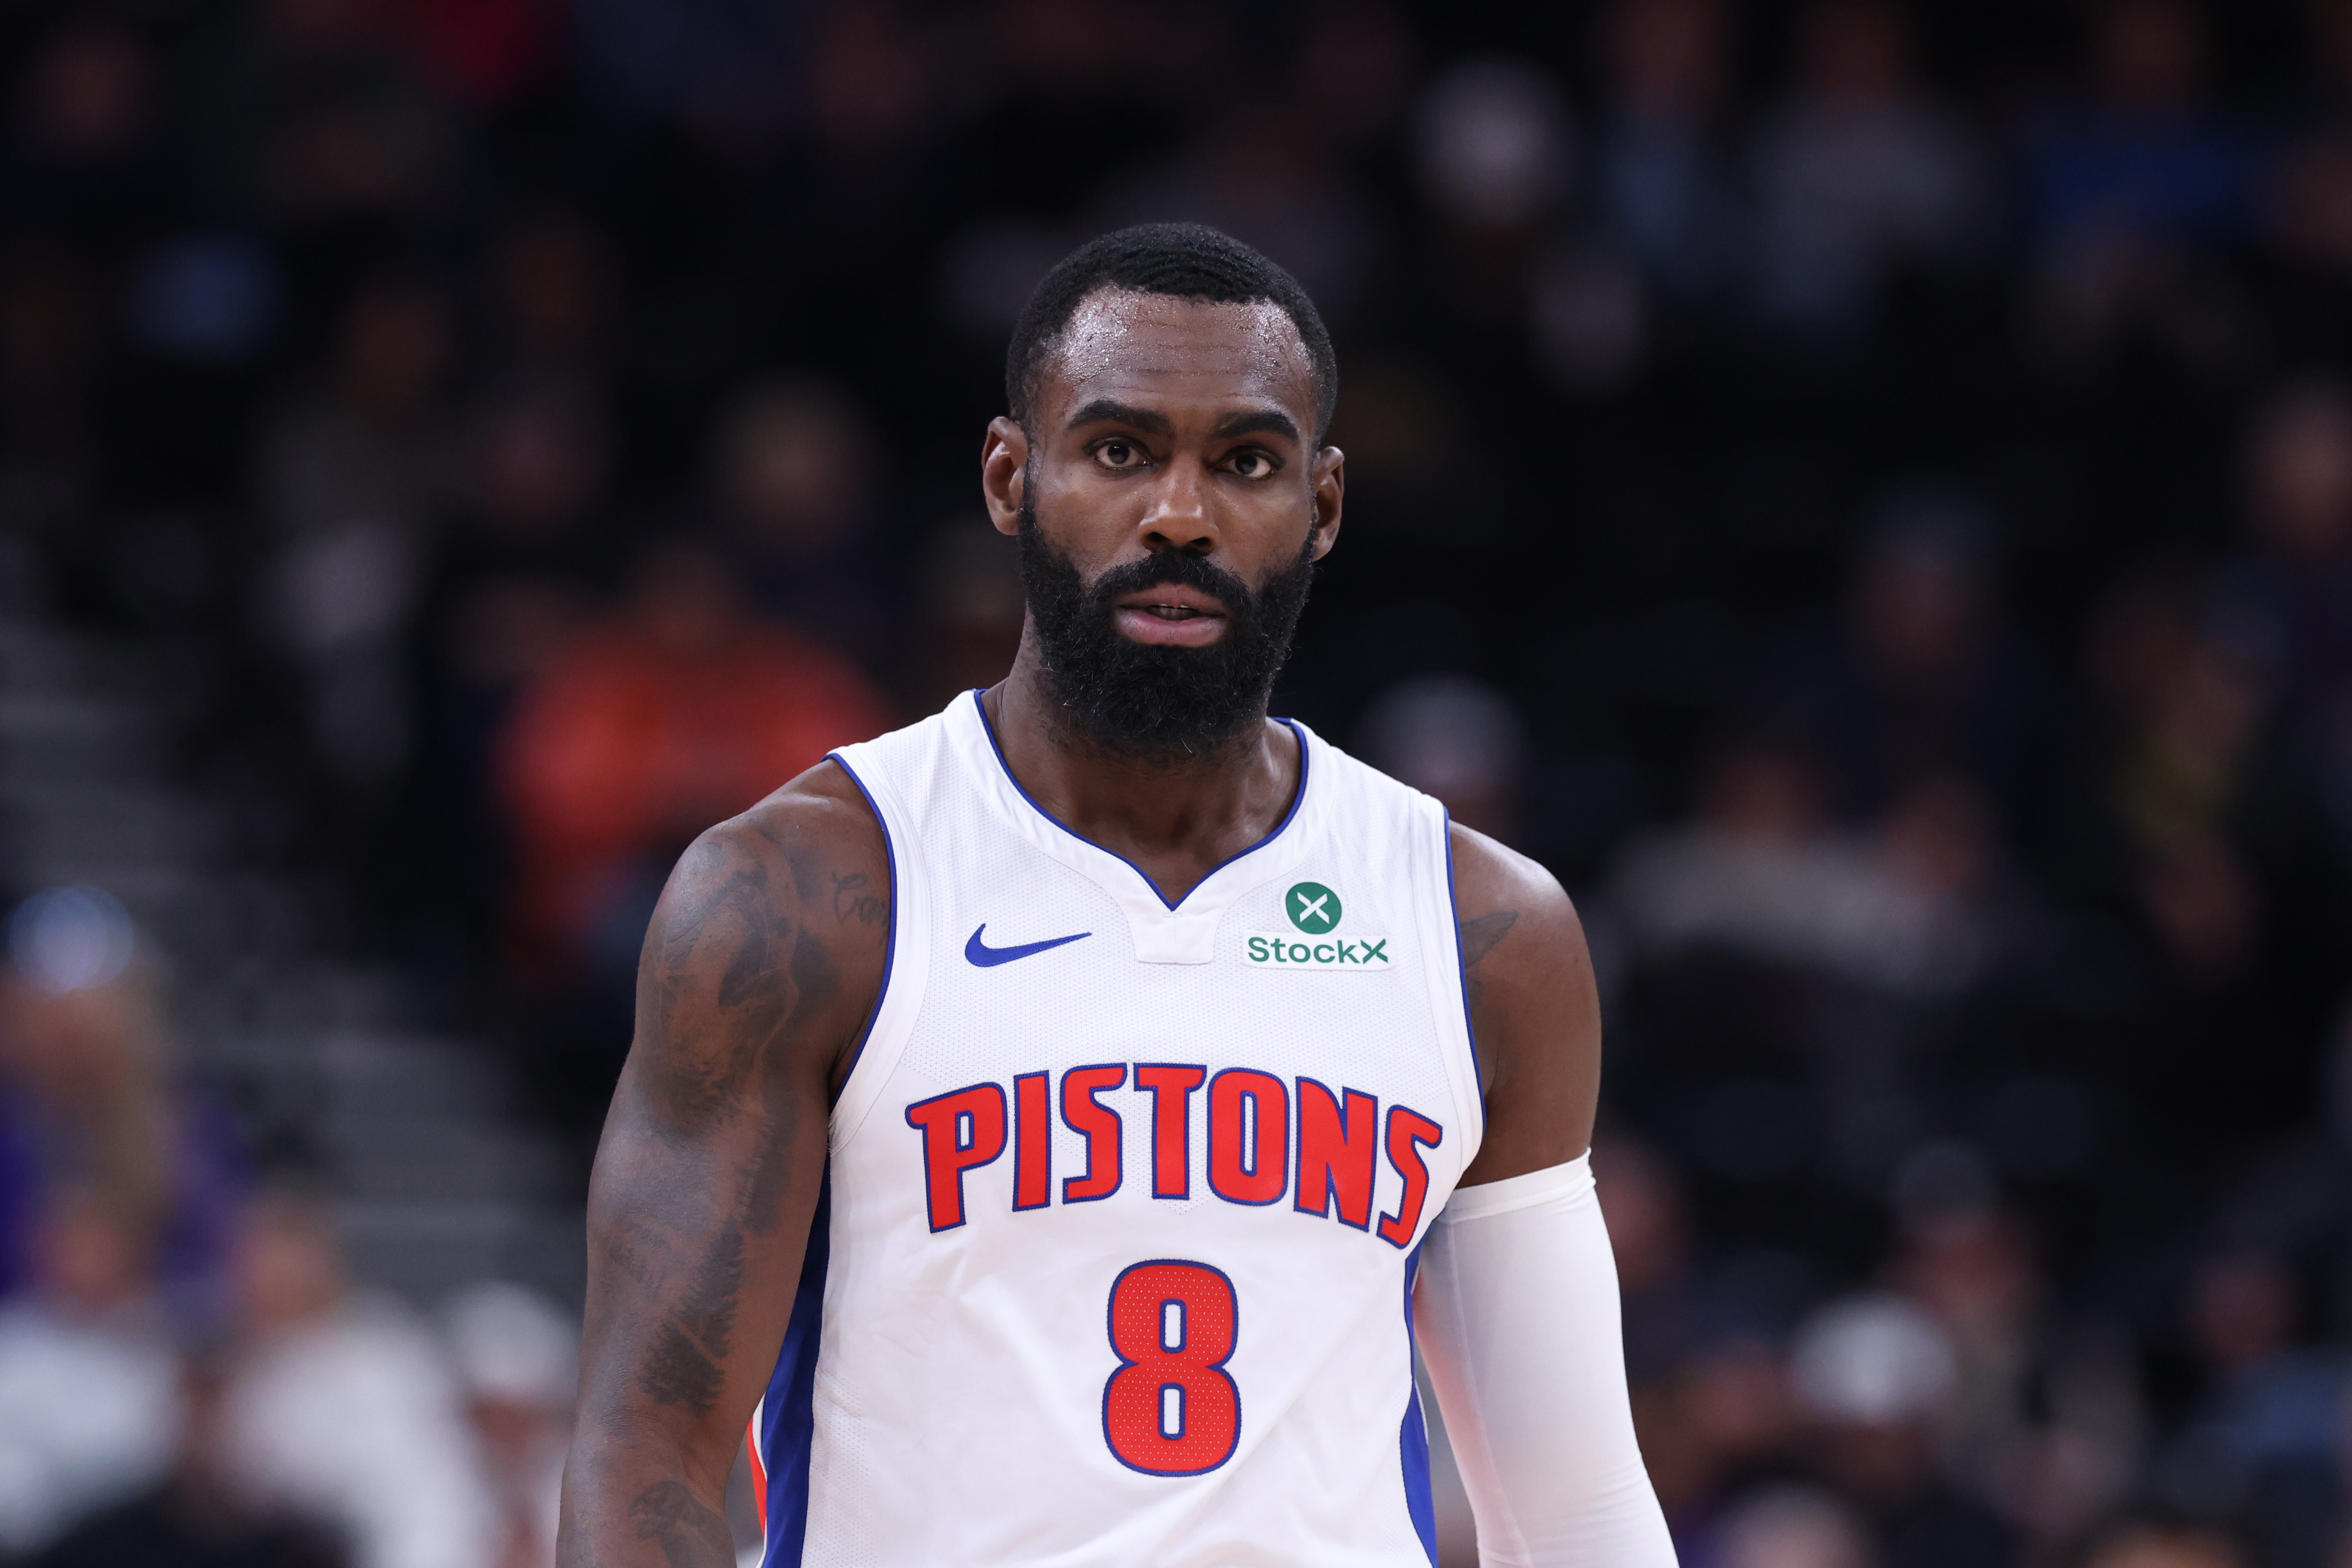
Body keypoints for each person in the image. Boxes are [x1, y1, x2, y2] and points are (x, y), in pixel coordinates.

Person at [557, 224, 1676, 1567]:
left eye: (1245, 462)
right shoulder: (807, 891)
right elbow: (652, 1447)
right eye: (1120, 451)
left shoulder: (1481, 929)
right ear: (1009, 478)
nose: (1180, 515)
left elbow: (1572, 1508)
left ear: (1323, 506)